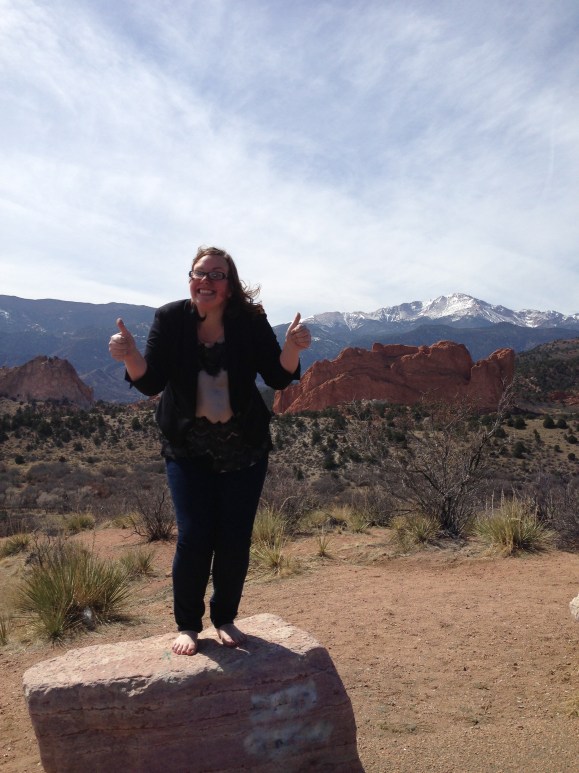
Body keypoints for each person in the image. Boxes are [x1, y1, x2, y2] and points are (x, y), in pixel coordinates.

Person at [109, 246, 311, 655]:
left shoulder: (249, 321)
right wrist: (129, 355)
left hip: (244, 446)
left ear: (230, 286)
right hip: (188, 446)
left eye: (217, 274)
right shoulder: (170, 319)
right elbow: (151, 382)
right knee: (194, 535)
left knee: (234, 536)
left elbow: (277, 375)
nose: (206, 280)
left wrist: (292, 347)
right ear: (190, 280)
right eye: (199, 273)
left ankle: (225, 618)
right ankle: (187, 624)